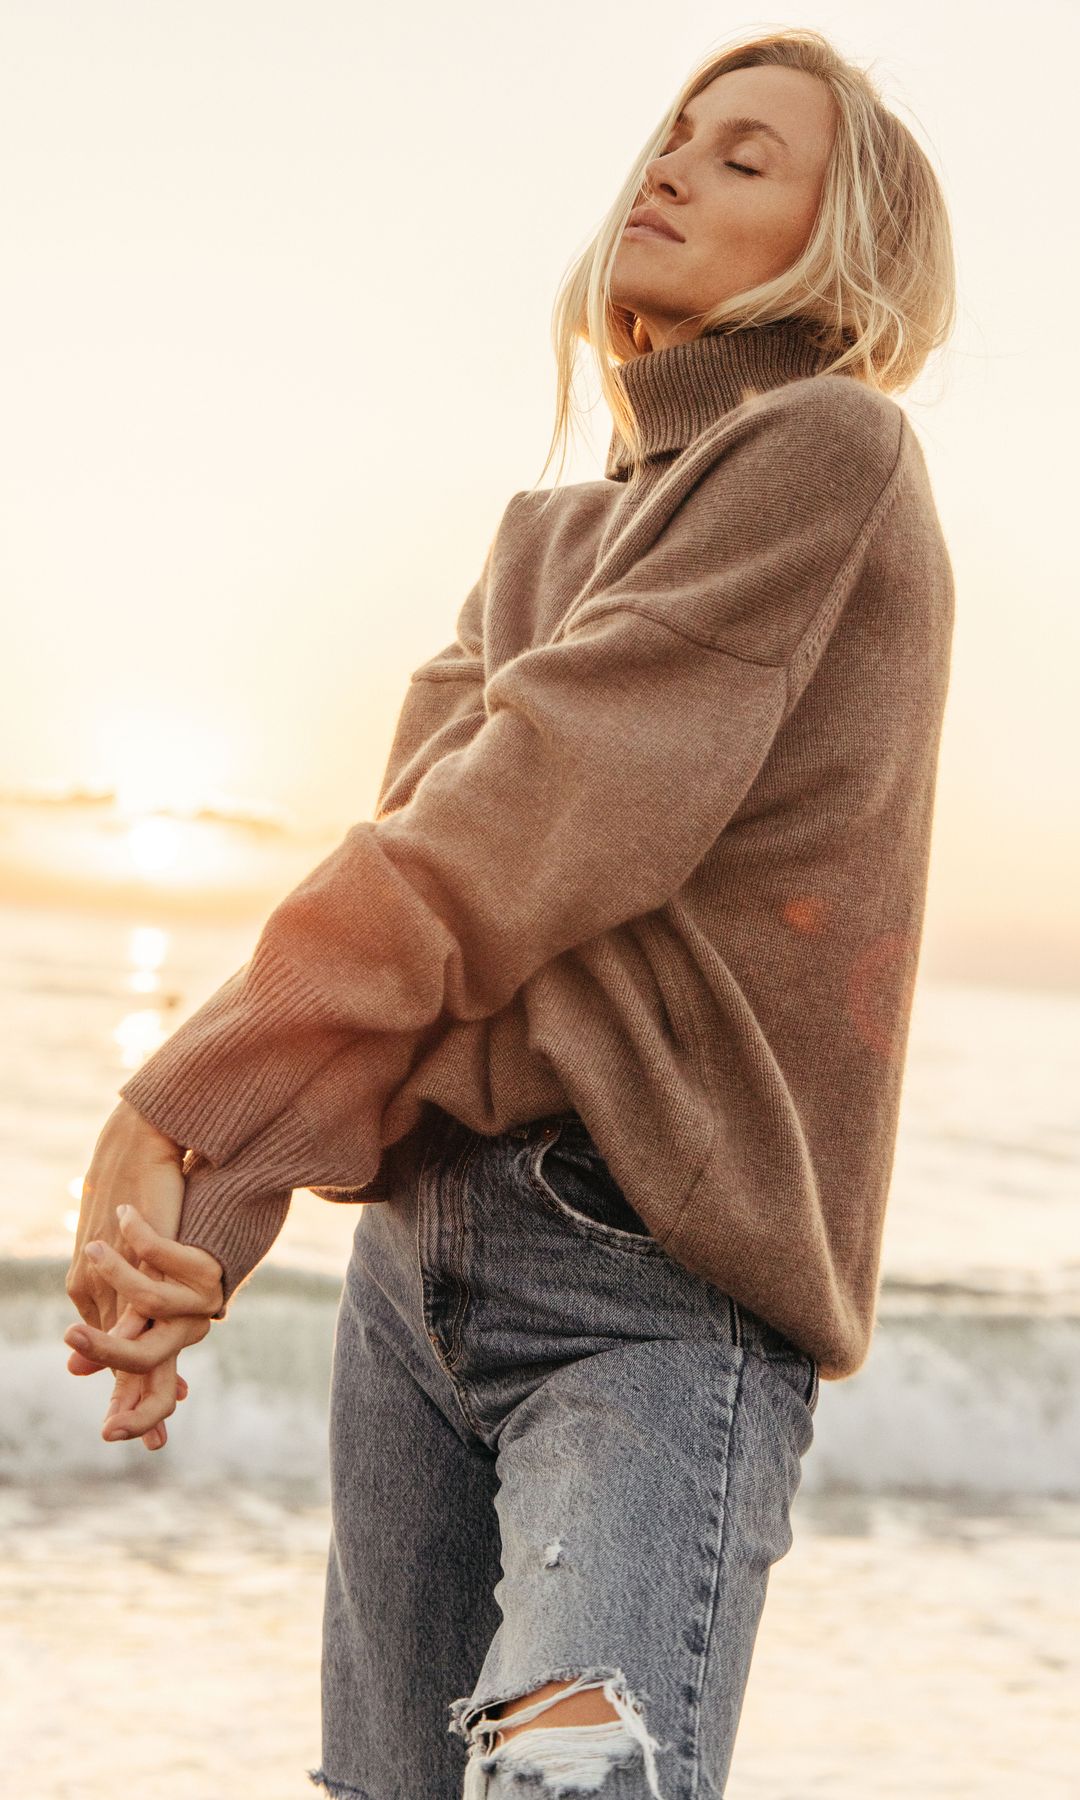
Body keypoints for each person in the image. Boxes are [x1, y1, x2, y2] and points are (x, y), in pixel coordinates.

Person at [63, 25, 957, 1798]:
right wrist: (211, 1215)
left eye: (746, 156)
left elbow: (539, 801)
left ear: (843, 244)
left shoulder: (830, 454)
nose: (675, 166)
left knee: (572, 1785)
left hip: (648, 1278)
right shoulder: (543, 535)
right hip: (414, 1275)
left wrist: (187, 1094)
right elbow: (434, 893)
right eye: (675, 136)